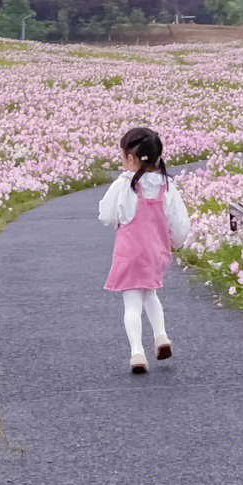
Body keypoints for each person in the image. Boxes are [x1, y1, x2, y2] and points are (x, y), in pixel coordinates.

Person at [98, 125, 191, 373]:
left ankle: (137, 352)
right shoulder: (166, 185)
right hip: (156, 252)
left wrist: (118, 218)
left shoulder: (124, 184)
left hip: (130, 253)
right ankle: (161, 336)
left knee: (131, 304)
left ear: (130, 158)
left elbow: (105, 214)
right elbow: (179, 222)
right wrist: (178, 241)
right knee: (150, 293)